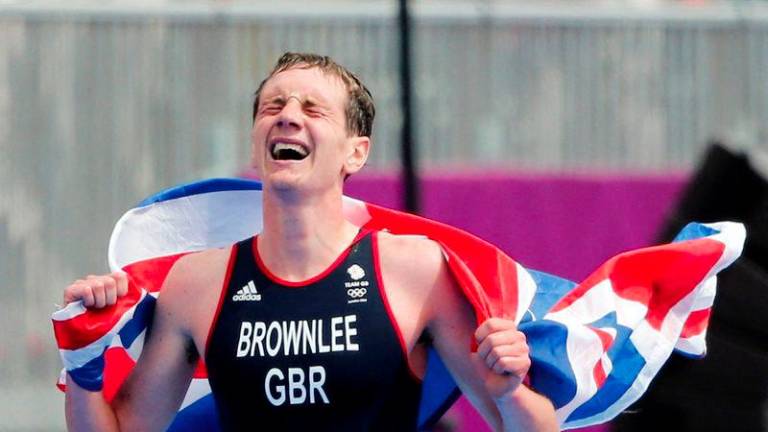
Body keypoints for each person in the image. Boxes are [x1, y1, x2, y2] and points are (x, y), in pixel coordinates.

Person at [62, 52, 557, 431]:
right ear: (256, 147)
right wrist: (81, 366)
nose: (287, 115)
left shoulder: (415, 270)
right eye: (273, 106)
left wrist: (509, 389)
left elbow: (527, 424)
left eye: (313, 108)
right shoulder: (196, 283)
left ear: (355, 153)